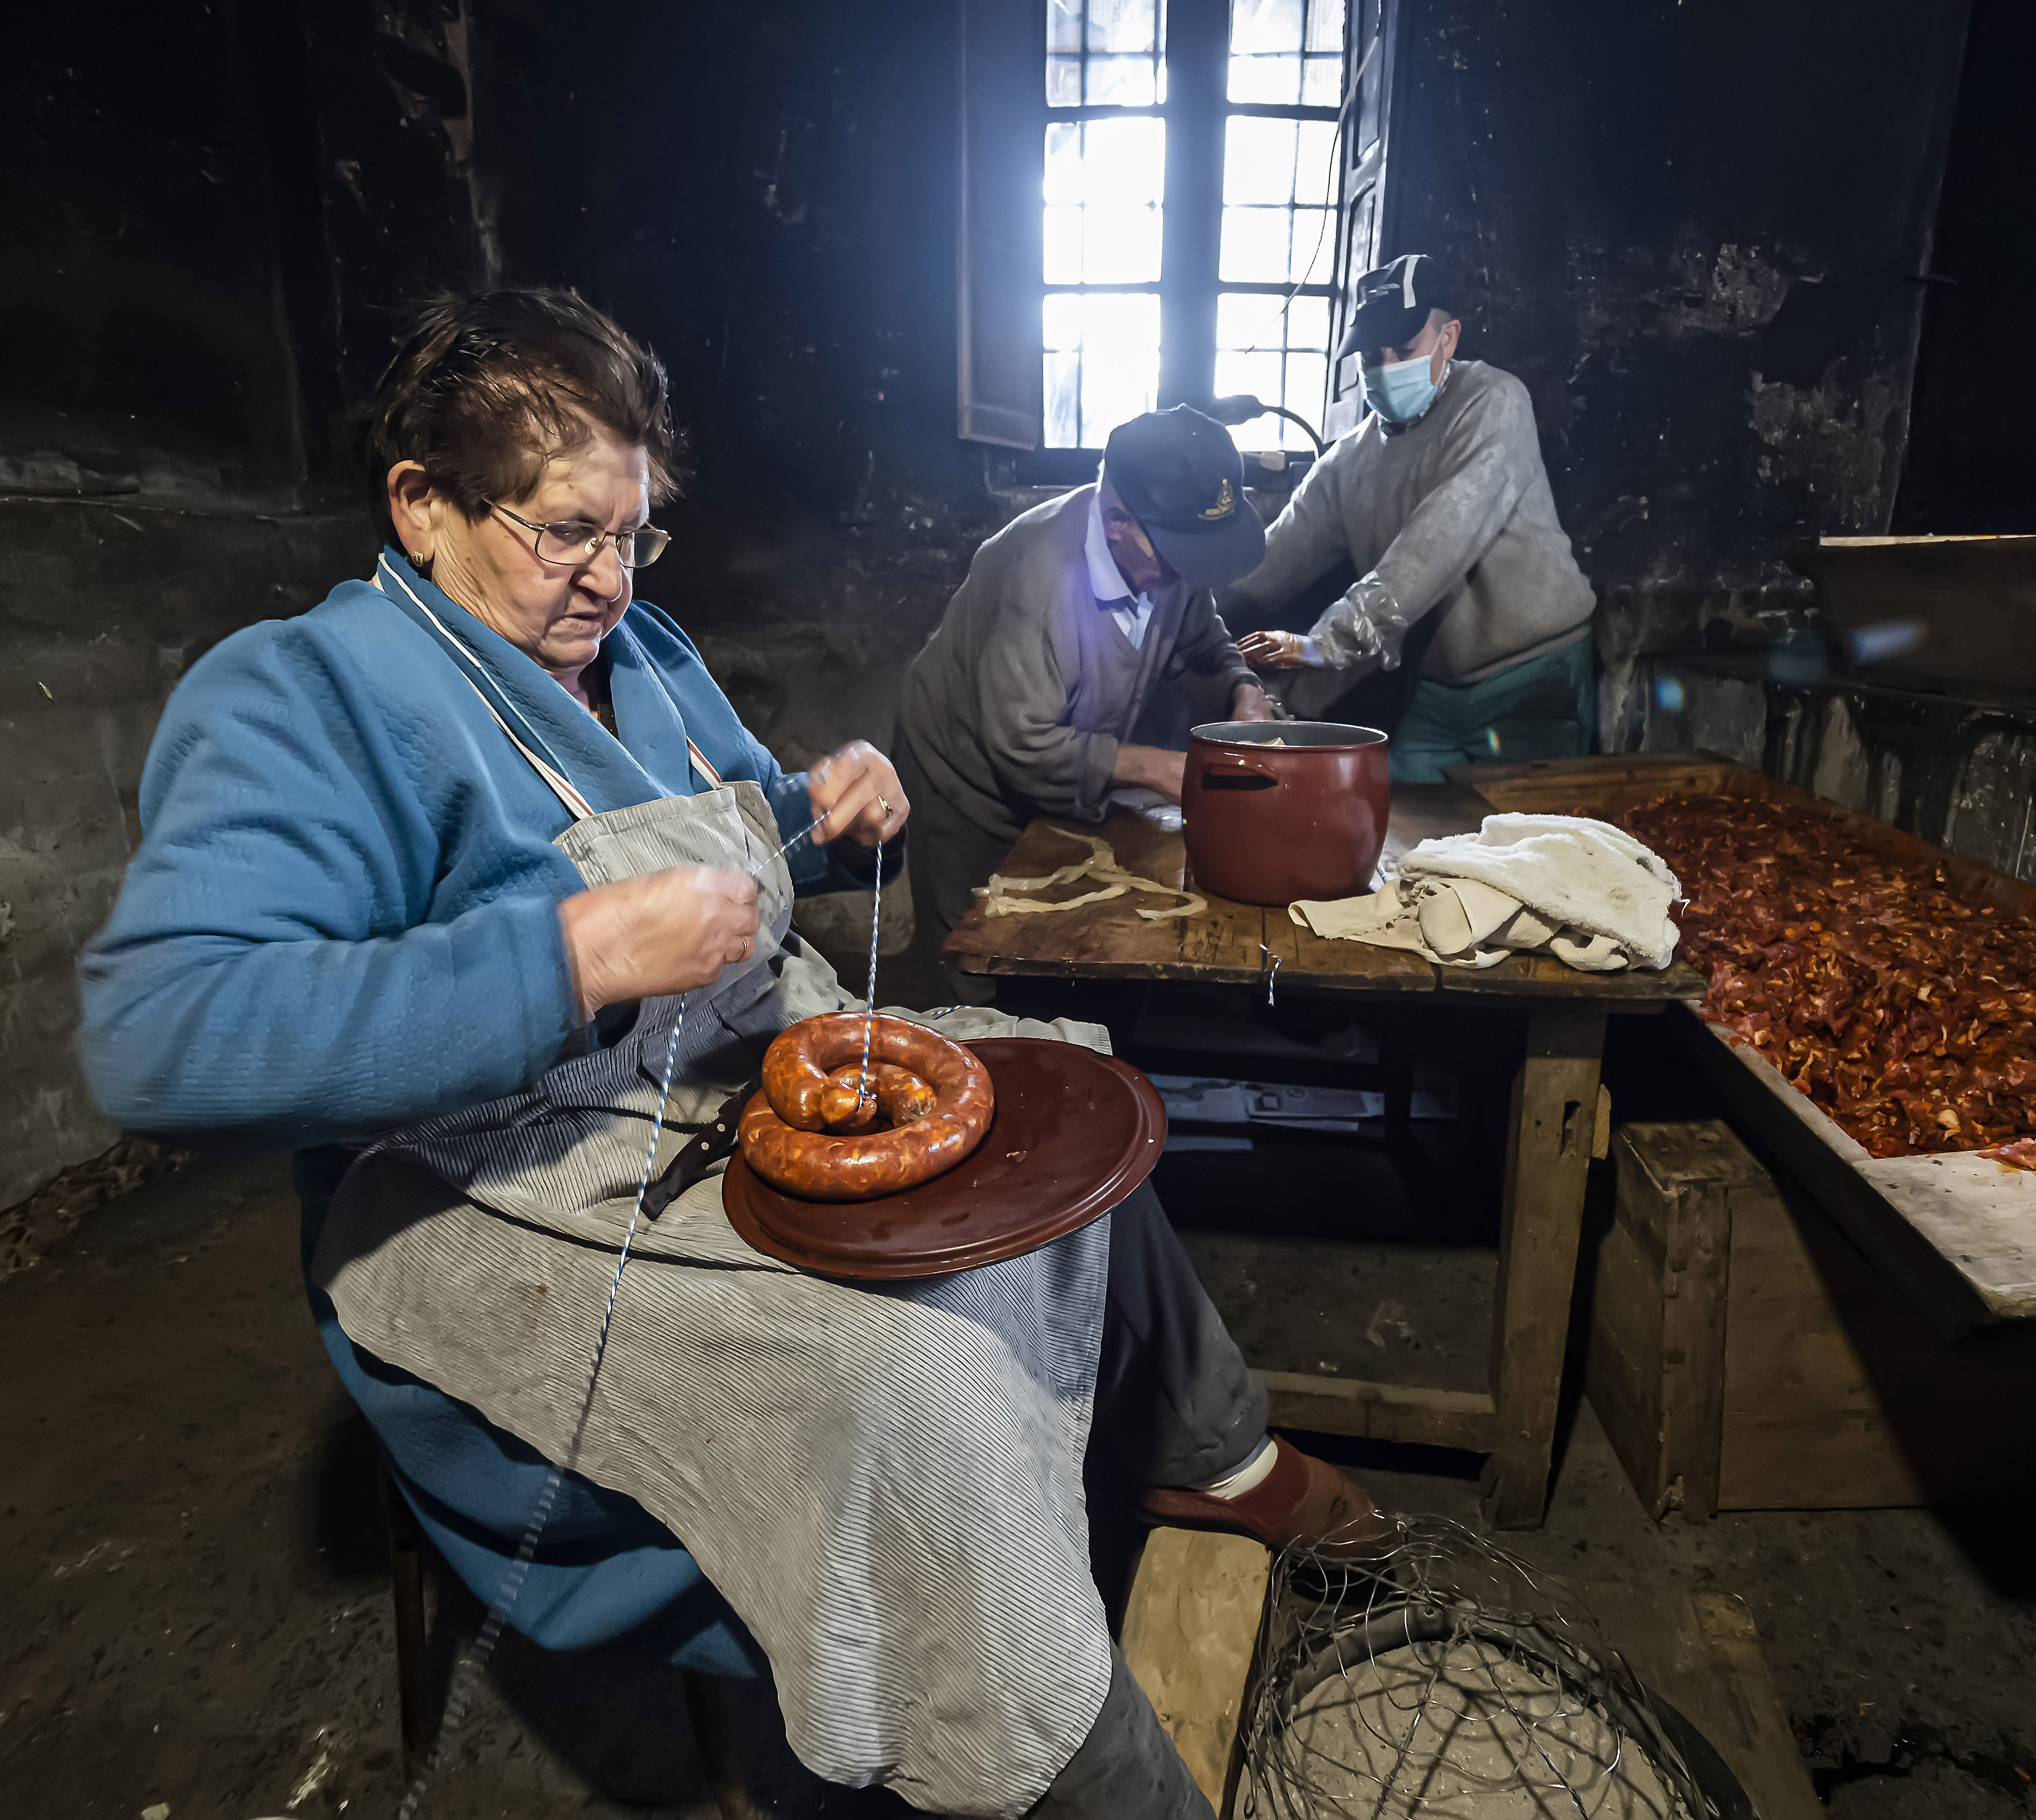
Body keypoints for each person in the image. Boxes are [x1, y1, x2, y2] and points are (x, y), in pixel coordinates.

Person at [77, 290, 1381, 1819]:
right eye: (567, 532)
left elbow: (740, 820)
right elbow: (163, 1034)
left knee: (1071, 1095)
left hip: (732, 1071)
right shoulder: (304, 693)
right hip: (492, 1179)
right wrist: (565, 957)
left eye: (636, 533)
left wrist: (823, 813)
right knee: (918, 1383)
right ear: (422, 505)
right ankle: (1073, 1762)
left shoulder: (640, 643)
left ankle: (1209, 1453)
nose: (610, 578)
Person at [894, 405, 1274, 960]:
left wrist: (1243, 690)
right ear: (1118, 521)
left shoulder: (1167, 555)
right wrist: (1155, 768)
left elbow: (1202, 643)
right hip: (963, 772)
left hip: (1057, 757)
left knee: (1060, 937)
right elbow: (1023, 743)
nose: (1186, 574)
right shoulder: (1039, 583)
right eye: (1177, 558)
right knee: (979, 947)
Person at [1230, 253, 1600, 782]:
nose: (1385, 367)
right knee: (1408, 825)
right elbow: (1274, 559)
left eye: (1403, 350)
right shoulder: (1350, 461)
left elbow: (1431, 548)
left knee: (1525, 828)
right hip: (1435, 690)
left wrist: (1323, 645)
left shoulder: (1494, 403)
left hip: (1533, 681)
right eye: (1370, 355)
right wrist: (1187, 611)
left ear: (1448, 338)